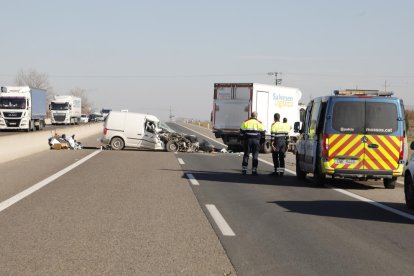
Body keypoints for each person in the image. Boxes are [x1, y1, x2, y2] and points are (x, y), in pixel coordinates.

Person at [240, 111, 265, 175]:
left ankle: (244, 170)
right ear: (256, 116)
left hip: (248, 140)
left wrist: (242, 140)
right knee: (255, 155)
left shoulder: (246, 122)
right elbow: (263, 134)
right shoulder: (260, 123)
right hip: (256, 141)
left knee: (246, 154)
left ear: (251, 116)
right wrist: (262, 142)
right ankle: (254, 170)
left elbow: (241, 133)